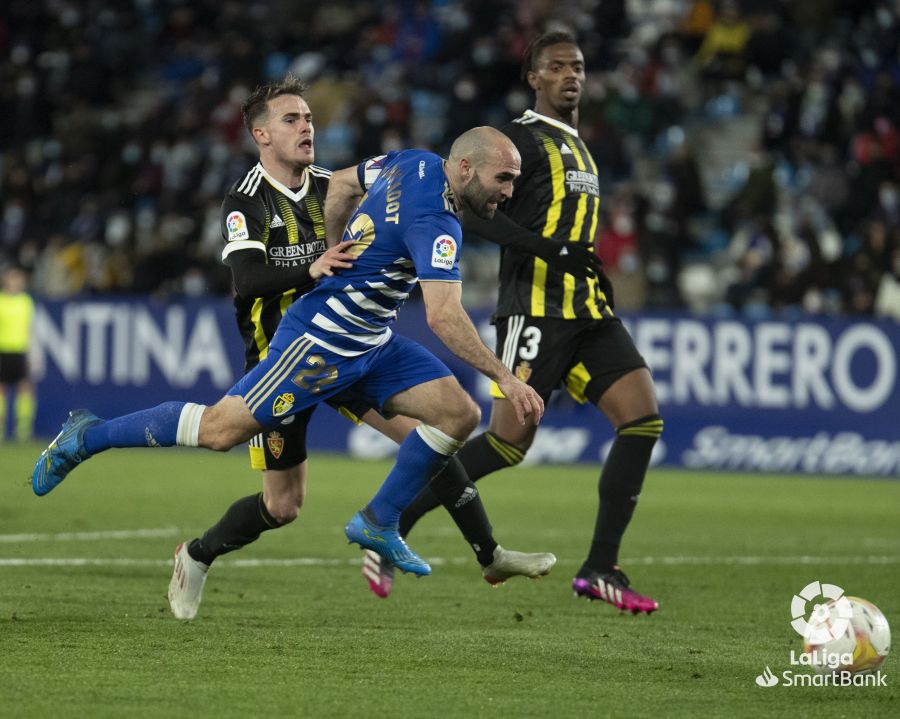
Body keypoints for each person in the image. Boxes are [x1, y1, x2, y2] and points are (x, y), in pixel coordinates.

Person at [30, 125, 549, 608]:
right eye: (503, 178)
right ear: (463, 169)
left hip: (369, 344)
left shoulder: (413, 161)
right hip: (318, 343)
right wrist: (504, 376)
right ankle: (88, 434)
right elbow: (442, 315)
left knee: (456, 415)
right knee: (221, 435)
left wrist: (334, 248)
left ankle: (388, 523)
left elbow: (344, 184)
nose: (508, 191)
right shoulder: (436, 221)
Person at [164, 76, 555, 619]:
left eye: (309, 118)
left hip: (351, 347)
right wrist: (314, 265)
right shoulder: (246, 200)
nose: (306, 127)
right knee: (282, 505)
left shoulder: (334, 183)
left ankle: (487, 552)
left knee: (437, 437)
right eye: (292, 120)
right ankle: (197, 554)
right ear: (262, 134)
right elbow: (248, 280)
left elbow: (366, 195)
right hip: (287, 355)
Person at [372, 32, 663, 614]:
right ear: (534, 78)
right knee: (508, 442)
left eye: (577, 65)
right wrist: (548, 252)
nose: (569, 75)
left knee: (642, 421)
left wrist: (585, 269)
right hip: (534, 308)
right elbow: (474, 212)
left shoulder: (580, 146)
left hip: (588, 310)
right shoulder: (520, 141)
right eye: (555, 67)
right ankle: (387, 524)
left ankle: (601, 567)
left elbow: (571, 238)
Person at [0, 265, 36, 442]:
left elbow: (28, 329)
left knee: (25, 387)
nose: (16, 282)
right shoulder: (1, 301)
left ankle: (23, 429)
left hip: (20, 350)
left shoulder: (25, 301)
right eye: (13, 279)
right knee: (2, 388)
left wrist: (30, 353)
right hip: (3, 350)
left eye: (19, 279)